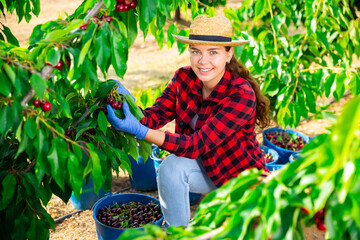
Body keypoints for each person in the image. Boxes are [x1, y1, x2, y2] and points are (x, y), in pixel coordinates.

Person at [107, 14, 271, 229]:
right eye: (196, 52)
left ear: (229, 54)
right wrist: (125, 104)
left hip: (238, 177)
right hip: (204, 168)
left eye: (213, 52)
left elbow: (195, 145)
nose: (203, 61)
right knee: (170, 167)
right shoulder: (183, 78)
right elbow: (154, 116)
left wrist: (139, 131)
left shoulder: (240, 94)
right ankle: (176, 232)